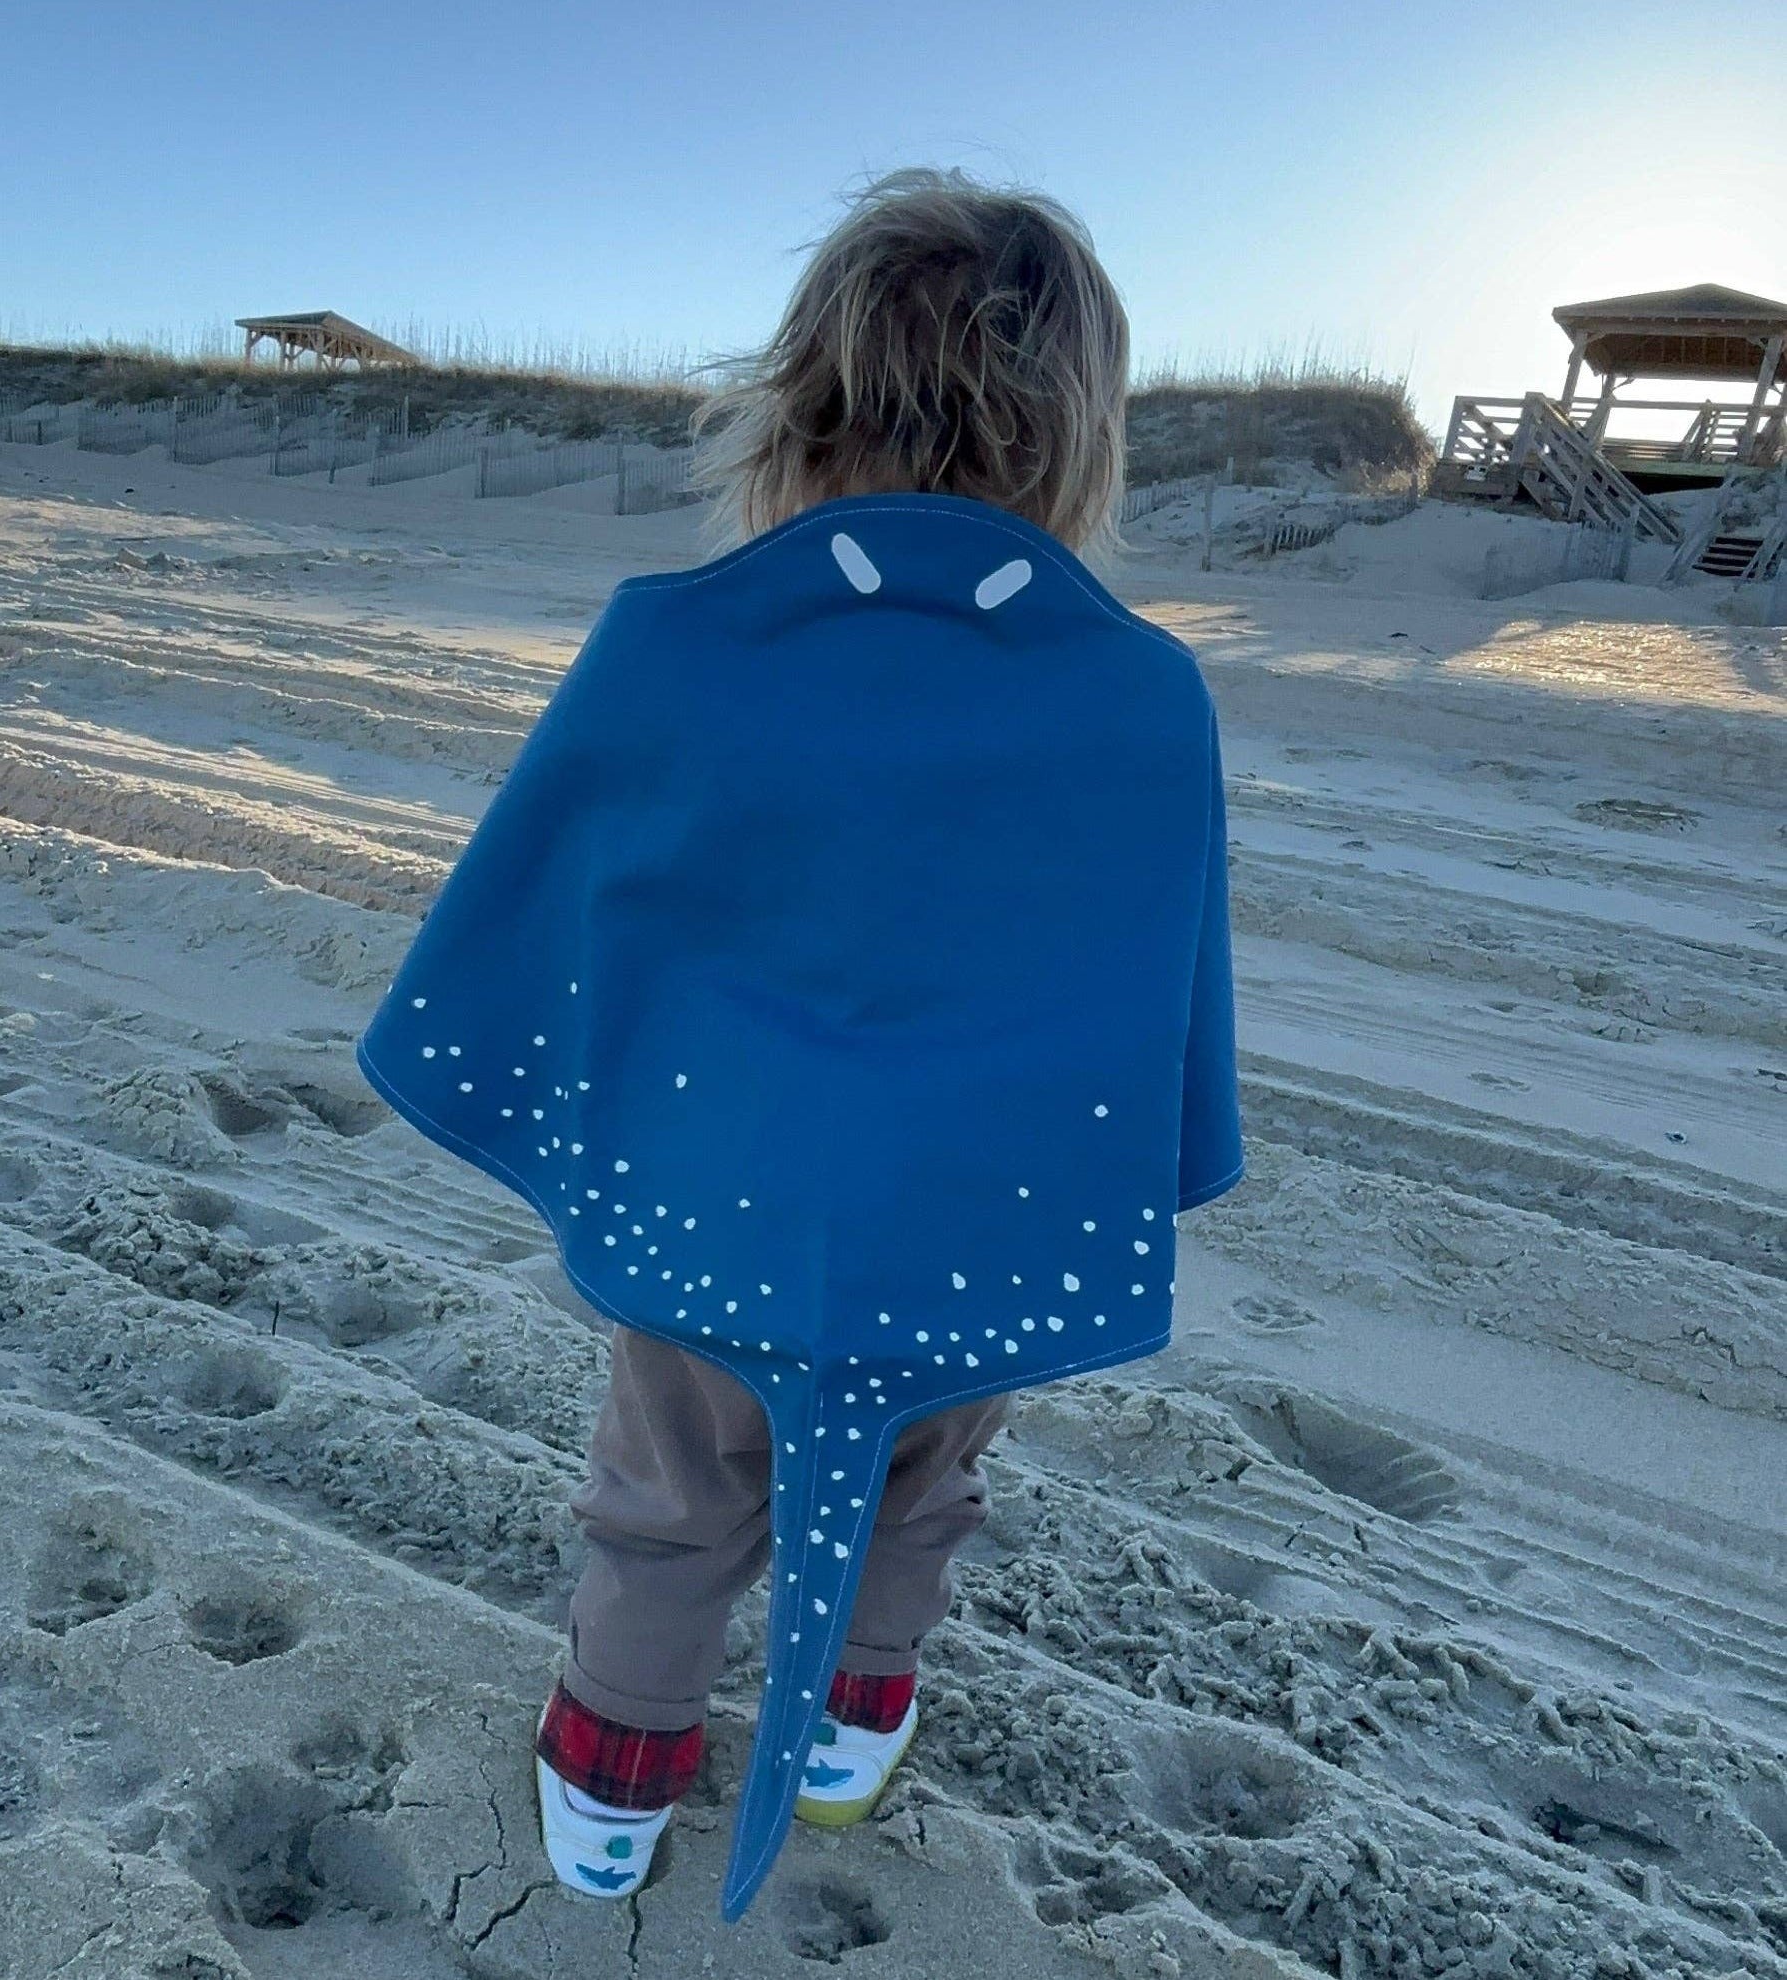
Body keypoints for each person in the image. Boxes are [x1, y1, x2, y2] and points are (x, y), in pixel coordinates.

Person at [528, 163, 1194, 1899]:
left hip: (717, 1204)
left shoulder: (687, 649)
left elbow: (587, 911)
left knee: (675, 1493)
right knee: (920, 1488)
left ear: (794, 411)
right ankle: (842, 1740)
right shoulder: (1134, 691)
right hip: (980, 1232)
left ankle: (612, 1794)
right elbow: (1142, 998)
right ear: (1077, 444)